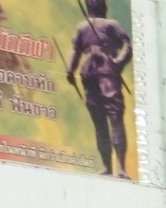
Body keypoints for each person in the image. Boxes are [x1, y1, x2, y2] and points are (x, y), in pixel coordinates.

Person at [66, 0, 133, 177]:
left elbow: (127, 45)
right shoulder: (83, 27)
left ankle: (119, 167)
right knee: (100, 121)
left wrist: (118, 62)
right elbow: (76, 51)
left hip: (105, 72)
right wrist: (70, 70)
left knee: (114, 117)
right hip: (91, 74)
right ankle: (108, 167)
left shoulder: (111, 25)